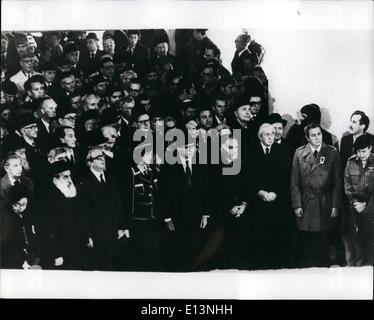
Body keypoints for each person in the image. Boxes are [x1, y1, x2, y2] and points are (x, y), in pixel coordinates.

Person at [290, 123, 341, 267]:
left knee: (323, 243)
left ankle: (322, 275)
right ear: (307, 137)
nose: (317, 138)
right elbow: (294, 182)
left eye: (319, 134)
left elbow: (337, 183)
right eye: (313, 135)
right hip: (306, 203)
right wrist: (297, 204)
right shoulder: (299, 153)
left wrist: (335, 205)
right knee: (307, 243)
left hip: (325, 203)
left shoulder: (332, 152)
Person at [161, 142, 212, 271]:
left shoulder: (201, 164)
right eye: (186, 147)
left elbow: (206, 190)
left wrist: (205, 214)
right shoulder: (169, 166)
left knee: (195, 245)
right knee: (179, 246)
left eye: (192, 147)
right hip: (177, 214)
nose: (190, 150)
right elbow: (164, 193)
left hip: (196, 214)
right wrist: (167, 217)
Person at [246, 123, 287, 269]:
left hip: (277, 203)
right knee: (259, 239)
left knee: (276, 239)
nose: (271, 136)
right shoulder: (251, 152)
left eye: (273, 134)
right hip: (257, 204)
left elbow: (285, 178)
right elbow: (248, 178)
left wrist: (276, 193)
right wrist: (259, 192)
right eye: (267, 134)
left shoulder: (282, 151)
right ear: (260, 136)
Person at [80, 148, 129, 270]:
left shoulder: (111, 178)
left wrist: (121, 226)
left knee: (111, 265)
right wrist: (87, 235)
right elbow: (83, 212)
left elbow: (118, 204)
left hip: (113, 232)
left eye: (104, 157)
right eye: (98, 158)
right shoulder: (84, 182)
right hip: (96, 234)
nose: (103, 159)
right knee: (97, 267)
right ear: (90, 162)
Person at [40, 160, 86, 270]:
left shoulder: (72, 193)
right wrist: (56, 254)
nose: (70, 180)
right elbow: (49, 230)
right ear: (56, 179)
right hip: (60, 250)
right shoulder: (49, 198)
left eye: (70, 176)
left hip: (75, 246)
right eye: (65, 177)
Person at [344, 135, 374, 266]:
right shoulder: (350, 162)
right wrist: (356, 203)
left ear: (370, 148)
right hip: (354, 208)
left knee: (370, 244)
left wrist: (366, 205)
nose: (361, 154)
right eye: (358, 151)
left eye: (364, 151)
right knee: (356, 243)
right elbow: (347, 186)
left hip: (371, 211)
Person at [0, 184, 41, 269]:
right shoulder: (6, 218)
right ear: (12, 202)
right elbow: (7, 246)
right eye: (19, 204)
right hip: (12, 260)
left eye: (25, 204)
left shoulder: (25, 214)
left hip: (27, 255)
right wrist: (22, 262)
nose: (23, 208)